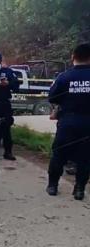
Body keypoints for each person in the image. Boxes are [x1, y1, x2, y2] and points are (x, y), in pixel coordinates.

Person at [46, 43, 90, 200]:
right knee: (85, 157)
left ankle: (52, 186)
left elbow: (52, 97)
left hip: (68, 123)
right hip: (87, 123)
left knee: (59, 154)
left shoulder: (64, 77)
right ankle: (79, 190)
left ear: (73, 57)